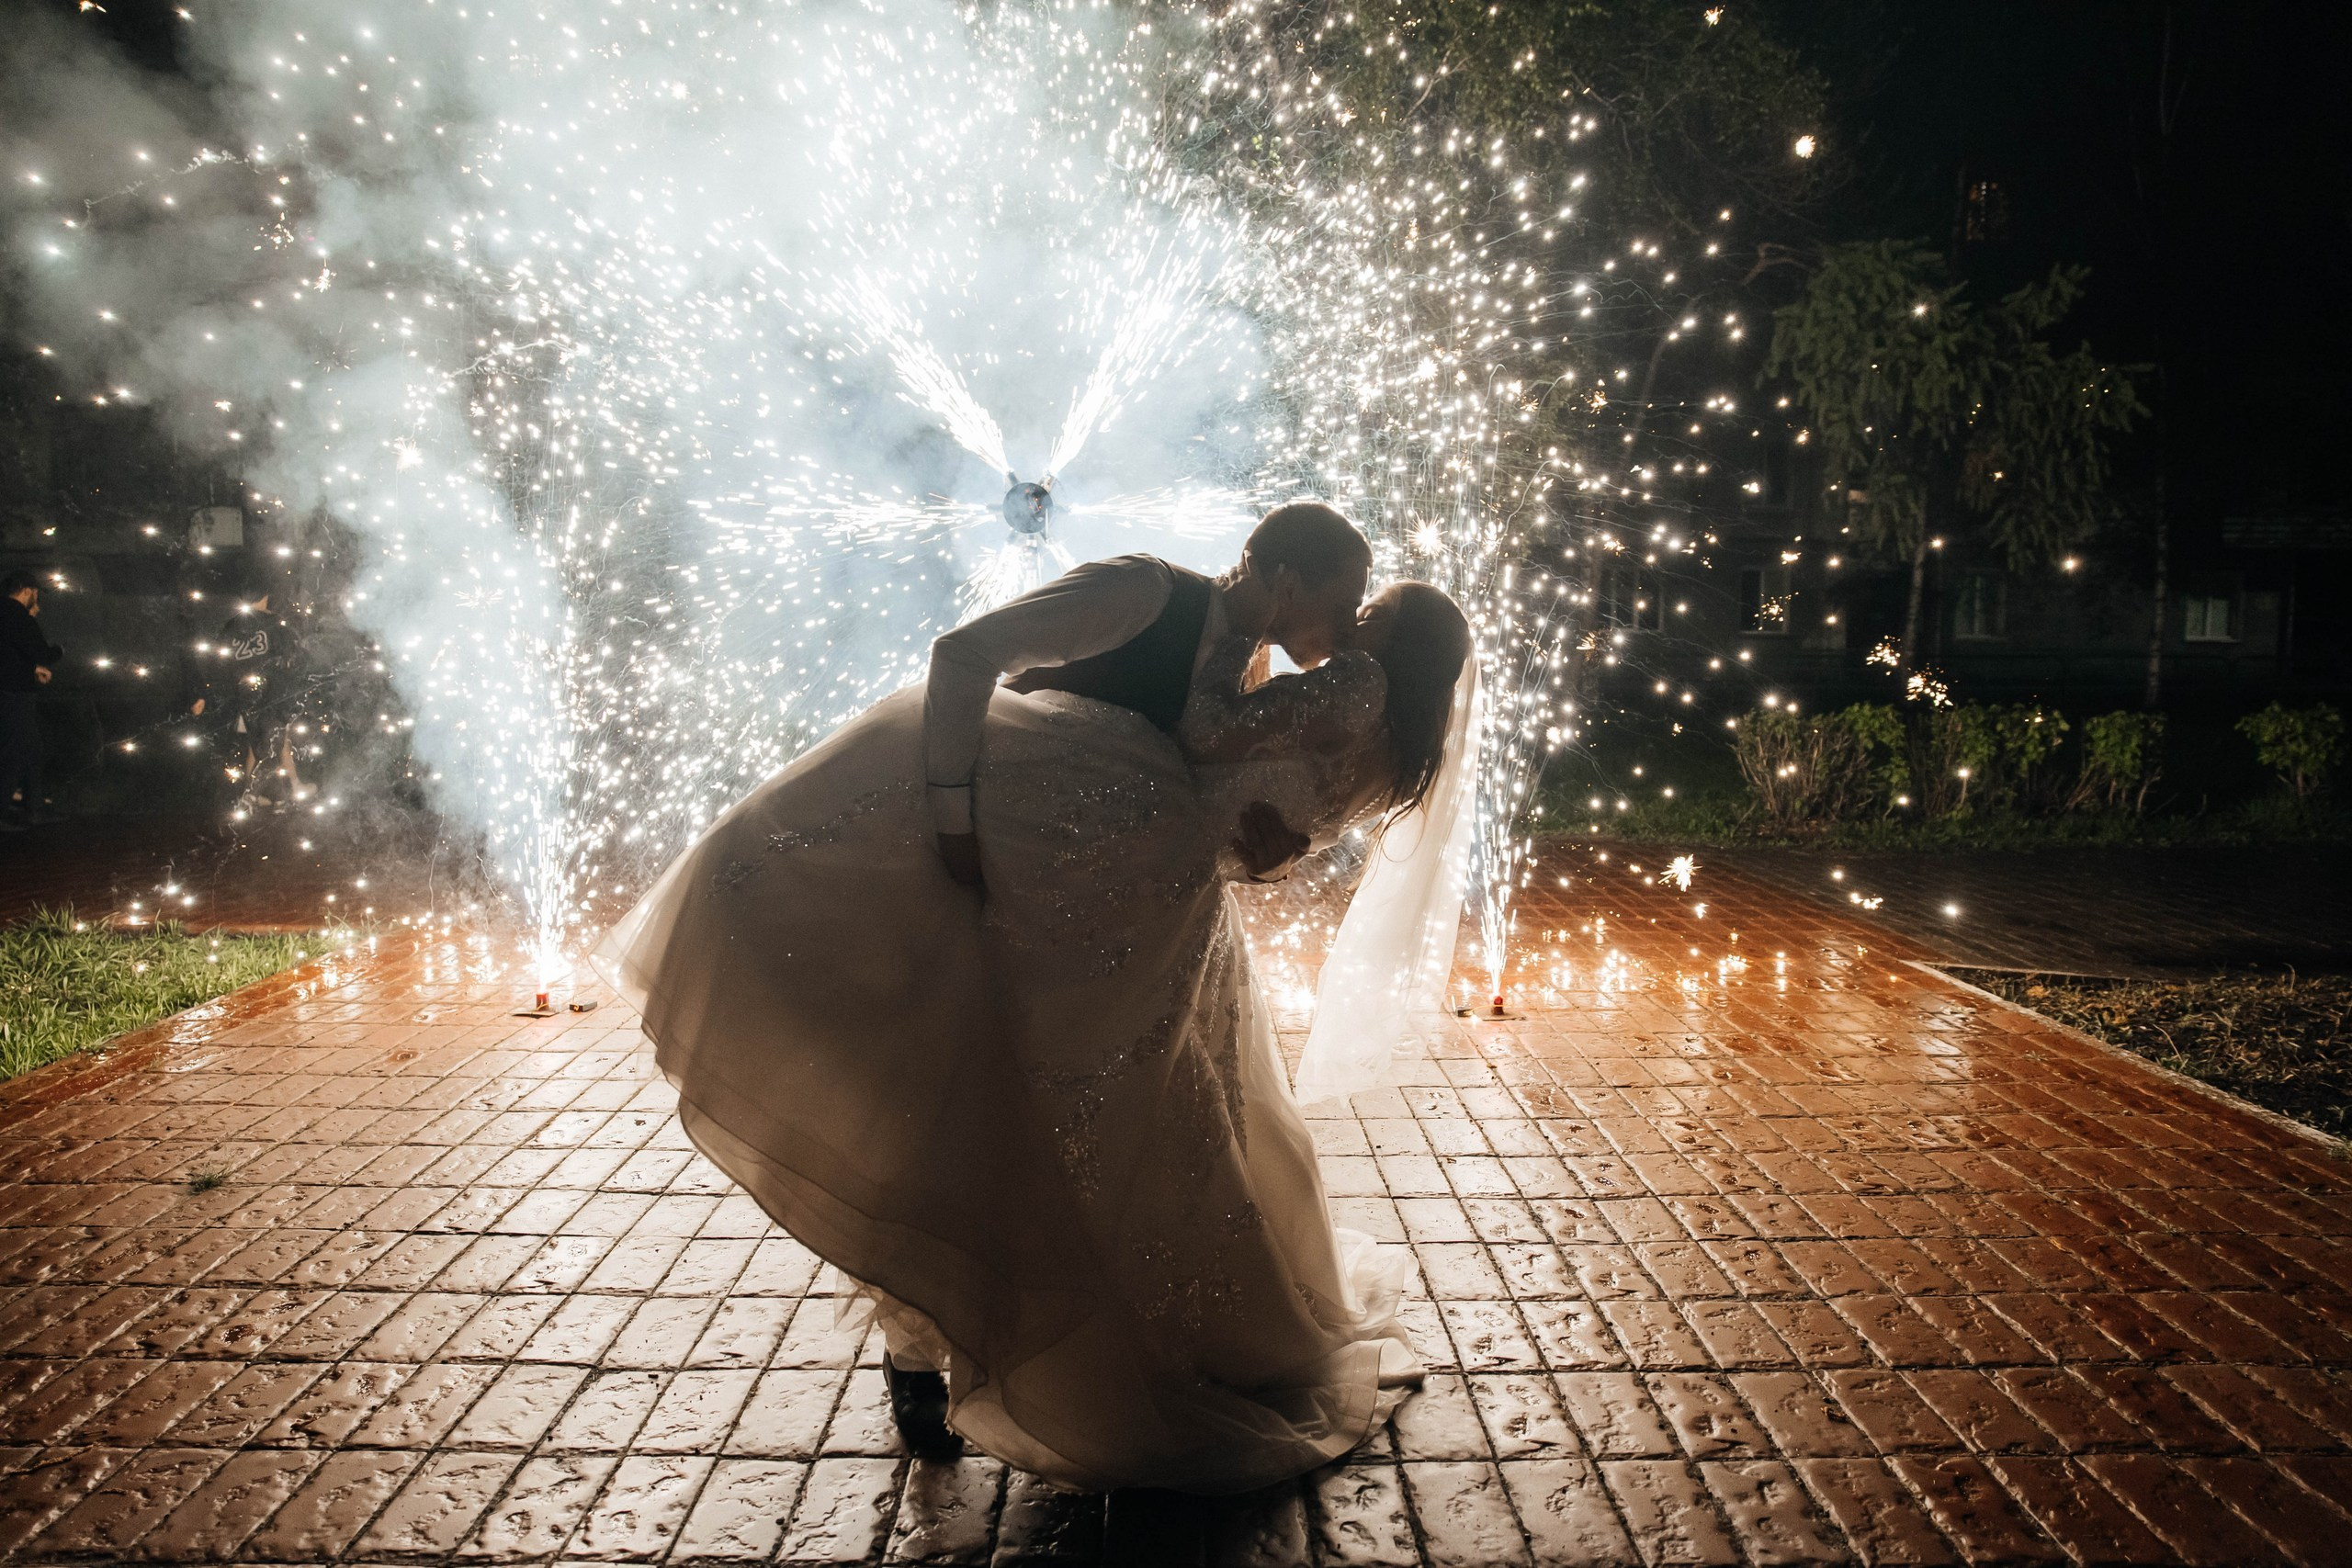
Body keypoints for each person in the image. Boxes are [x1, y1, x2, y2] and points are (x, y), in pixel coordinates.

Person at [596, 510, 1479, 1494]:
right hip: (991, 882)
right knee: (949, 1104)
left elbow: (1218, 794)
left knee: (1094, 1137)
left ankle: (1071, 1345)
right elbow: (968, 655)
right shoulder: (1147, 592)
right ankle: (919, 1355)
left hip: (1132, 931)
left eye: (1369, 606)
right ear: (1284, 576)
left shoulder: (1260, 673)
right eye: (1344, 594)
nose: (1352, 619)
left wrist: (1260, 851)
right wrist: (951, 822)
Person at [193, 592, 302, 810]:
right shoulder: (274, 623)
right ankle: (252, 796)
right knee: (272, 747)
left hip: (246, 696)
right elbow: (291, 657)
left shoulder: (232, 626)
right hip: (272, 696)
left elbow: (219, 661)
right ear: (264, 597)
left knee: (261, 746)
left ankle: (278, 796)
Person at [1, 568, 64, 830]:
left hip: (7, 689)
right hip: (16, 694)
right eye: (35, 594)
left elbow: (8, 656)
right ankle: (19, 809)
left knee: (23, 748)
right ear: (27, 591)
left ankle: (31, 805)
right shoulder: (19, 616)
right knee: (21, 750)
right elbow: (42, 652)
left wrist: (30, 669)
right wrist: (59, 650)